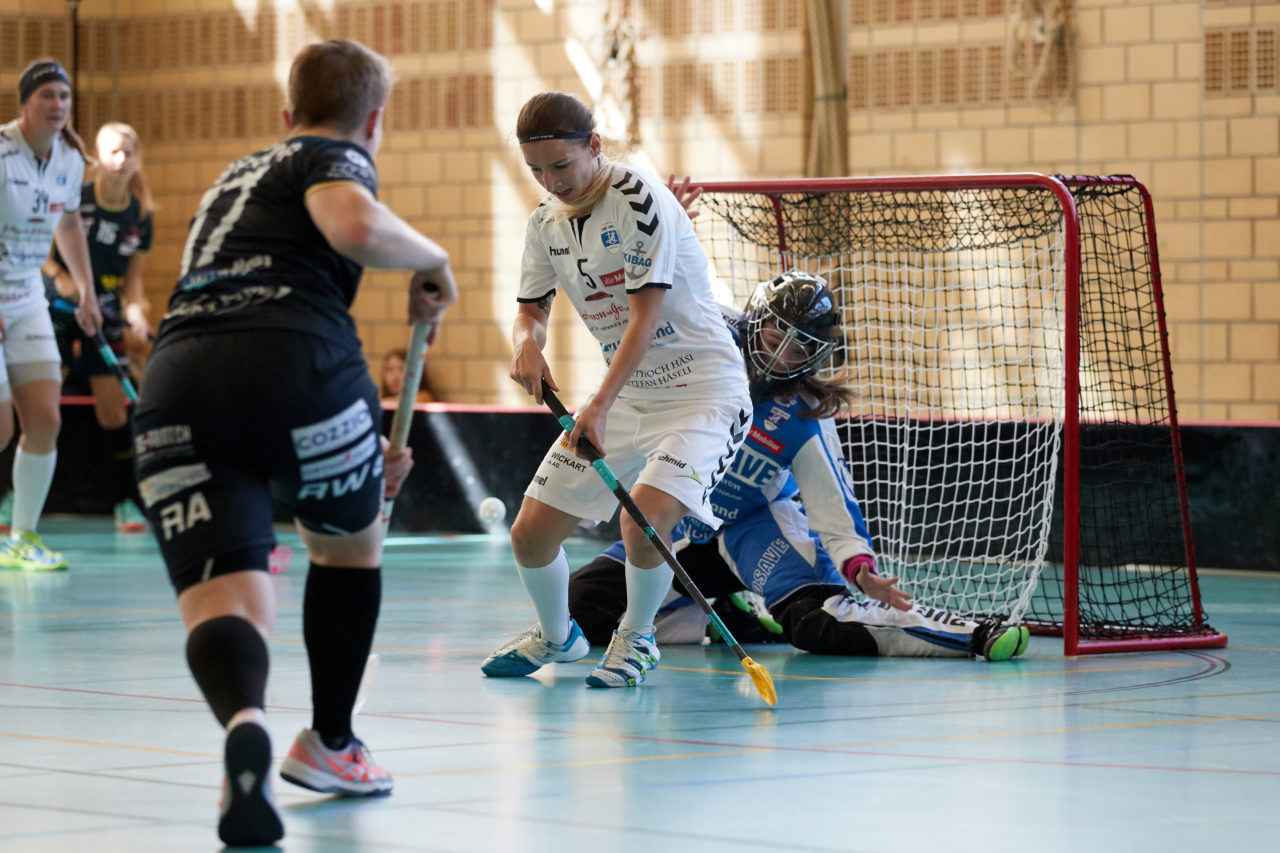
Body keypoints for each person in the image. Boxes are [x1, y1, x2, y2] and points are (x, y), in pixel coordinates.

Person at [131, 40, 457, 847]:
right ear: (374, 122)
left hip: (175, 379)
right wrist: (433, 258)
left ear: (285, 113)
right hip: (298, 360)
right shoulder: (333, 156)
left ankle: (245, 718)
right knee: (349, 541)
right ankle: (332, 744)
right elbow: (349, 222)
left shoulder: (232, 177)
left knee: (225, 593)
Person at [568, 272, 1032, 662]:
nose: (779, 356)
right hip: (686, 525)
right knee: (579, 607)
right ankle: (711, 608)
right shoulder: (711, 333)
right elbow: (668, 294)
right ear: (754, 323)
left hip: (755, 528)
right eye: (775, 338)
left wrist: (860, 569)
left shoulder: (804, 416)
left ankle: (967, 632)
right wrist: (667, 240)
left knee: (816, 626)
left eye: (798, 349)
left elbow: (833, 506)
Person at [479, 91, 752, 689]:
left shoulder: (638, 199)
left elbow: (644, 319)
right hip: (626, 396)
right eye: (537, 171)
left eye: (561, 165)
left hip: (701, 393)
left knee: (643, 522)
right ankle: (559, 636)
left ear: (594, 147)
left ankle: (638, 636)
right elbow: (531, 306)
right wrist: (527, 341)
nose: (551, 181)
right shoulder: (545, 222)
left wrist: (595, 403)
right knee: (529, 535)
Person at [0, 58, 102, 571]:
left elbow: (68, 228)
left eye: (64, 95)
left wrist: (86, 292)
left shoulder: (69, 158)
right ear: (25, 101)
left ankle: (22, 538)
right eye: (47, 95)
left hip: (27, 300)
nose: (58, 105)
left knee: (44, 421)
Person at [41, 121, 155, 533]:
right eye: (113, 152)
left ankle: (124, 502)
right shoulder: (75, 200)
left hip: (102, 314)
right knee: (39, 402)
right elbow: (42, 255)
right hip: (57, 306)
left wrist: (134, 309)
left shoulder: (140, 213)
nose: (121, 159)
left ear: (138, 158)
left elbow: (133, 275)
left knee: (113, 413)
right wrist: (64, 279)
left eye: (128, 151)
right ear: (97, 159)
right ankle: (14, 497)